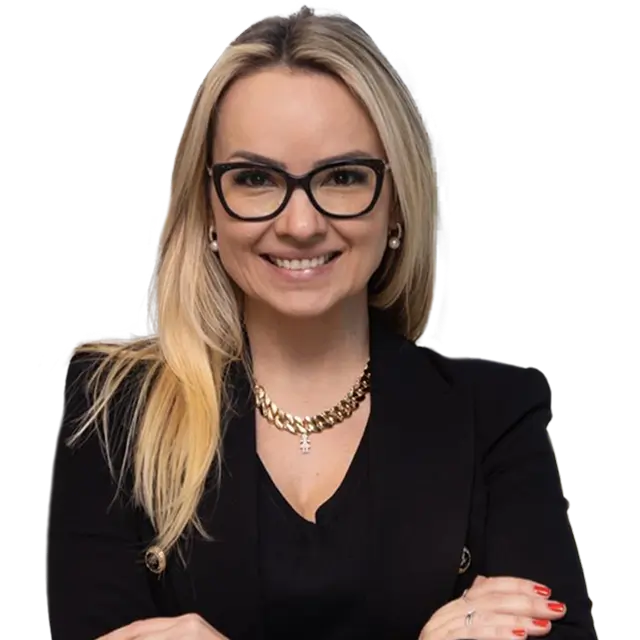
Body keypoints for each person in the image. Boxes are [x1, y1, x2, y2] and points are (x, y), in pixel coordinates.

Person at [45, 4, 596, 639]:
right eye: (255, 178)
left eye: (342, 177)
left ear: (396, 202)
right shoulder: (113, 410)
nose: (301, 224)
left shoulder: (495, 416)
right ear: (207, 205)